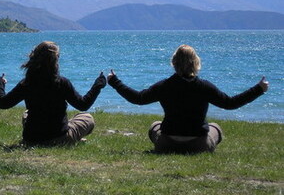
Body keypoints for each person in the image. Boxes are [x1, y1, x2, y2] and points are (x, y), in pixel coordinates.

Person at [107, 44, 269, 153]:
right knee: (216, 128)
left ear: (174, 63)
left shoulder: (165, 86)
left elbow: (138, 98)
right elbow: (230, 103)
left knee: (155, 126)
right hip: (198, 144)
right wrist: (258, 89)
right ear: (196, 63)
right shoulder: (204, 86)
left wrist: (115, 82)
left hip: (167, 143)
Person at [0, 41, 106, 145]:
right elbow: (83, 105)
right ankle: (72, 137)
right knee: (87, 117)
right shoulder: (61, 83)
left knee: (26, 114)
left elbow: (3, 103)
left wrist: (0, 82)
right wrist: (98, 84)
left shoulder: (27, 83)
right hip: (58, 137)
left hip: (31, 139)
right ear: (55, 60)